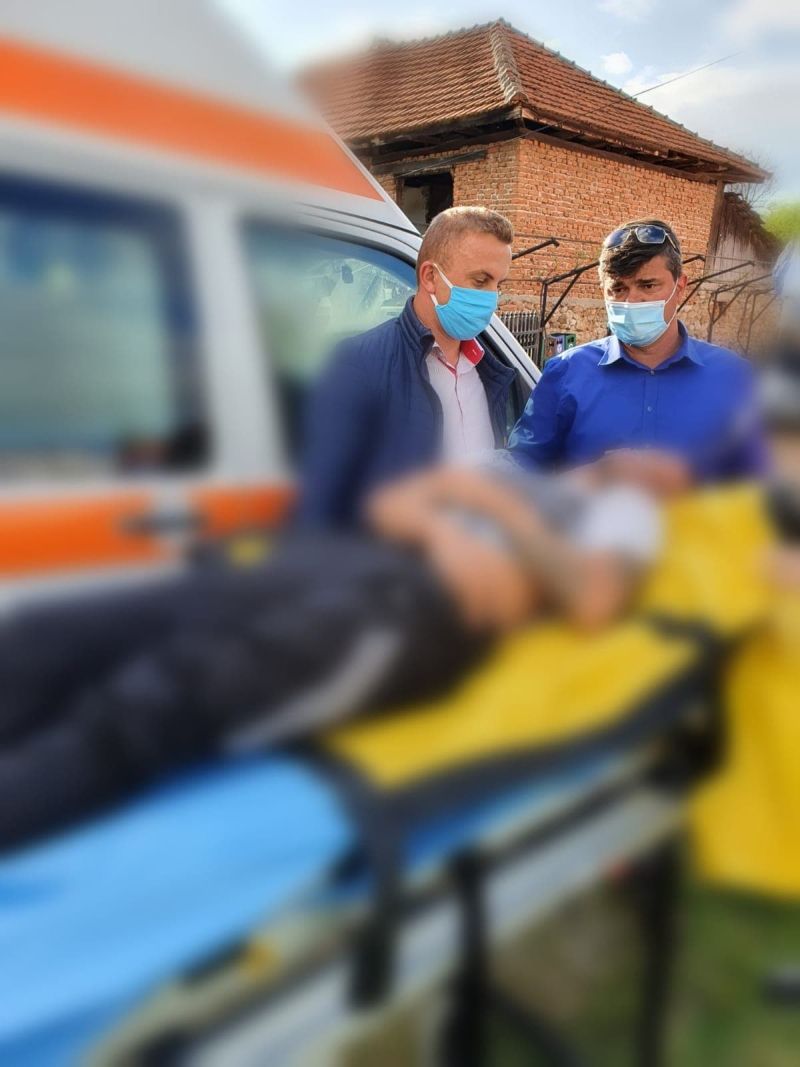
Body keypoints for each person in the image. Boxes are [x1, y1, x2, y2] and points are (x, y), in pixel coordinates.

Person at [0, 451, 671, 851]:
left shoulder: (625, 511)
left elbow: (593, 601)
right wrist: (449, 532)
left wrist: (497, 516)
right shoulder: (514, 469)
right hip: (342, 561)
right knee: (55, 636)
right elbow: (390, 505)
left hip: (414, 615)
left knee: (153, 705)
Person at [296, 207, 516, 526]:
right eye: (481, 281)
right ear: (430, 277)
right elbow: (323, 508)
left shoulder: (493, 370)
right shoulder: (359, 364)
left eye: (499, 284)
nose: (492, 299)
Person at [510, 219, 767, 483]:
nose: (632, 300)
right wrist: (594, 477)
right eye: (618, 289)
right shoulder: (566, 373)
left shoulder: (733, 376)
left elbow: (763, 484)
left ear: (680, 287)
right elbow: (519, 473)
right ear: (603, 292)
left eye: (648, 285)